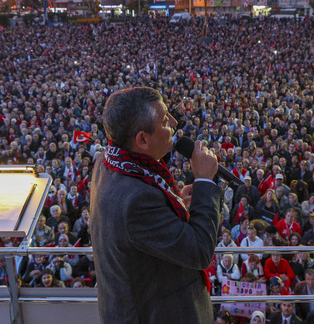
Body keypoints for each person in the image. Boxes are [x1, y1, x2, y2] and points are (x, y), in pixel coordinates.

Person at [90, 87, 222, 323]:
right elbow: (200, 251)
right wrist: (204, 181)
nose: (173, 122)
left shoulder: (107, 161)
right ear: (142, 139)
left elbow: (137, 234)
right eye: (164, 120)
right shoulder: (136, 202)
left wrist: (173, 205)